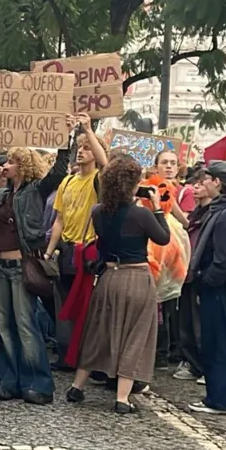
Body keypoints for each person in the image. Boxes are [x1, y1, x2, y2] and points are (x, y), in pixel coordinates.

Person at [63, 155, 171, 413]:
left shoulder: (98, 212)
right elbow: (164, 238)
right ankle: (122, 398)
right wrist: (156, 207)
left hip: (108, 278)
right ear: (132, 184)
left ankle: (77, 386)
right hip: (136, 278)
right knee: (135, 334)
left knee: (98, 331)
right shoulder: (142, 214)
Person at [0, 147, 59, 405]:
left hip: (20, 264)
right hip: (0, 267)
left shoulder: (35, 190)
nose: (7, 165)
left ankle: (39, 383)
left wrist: (67, 140)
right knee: (4, 325)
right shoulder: (3, 195)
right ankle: (10, 379)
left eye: (12, 162)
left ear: (23, 167)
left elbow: (57, 173)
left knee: (25, 324)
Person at [44, 114, 107, 368]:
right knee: (64, 305)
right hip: (67, 250)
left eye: (87, 148)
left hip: (88, 251)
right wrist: (49, 253)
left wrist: (88, 130)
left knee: (85, 307)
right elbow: (58, 220)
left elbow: (105, 165)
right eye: (80, 148)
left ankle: (86, 357)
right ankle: (66, 354)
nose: (82, 152)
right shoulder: (68, 182)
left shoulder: (97, 180)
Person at [186, 160, 226, 415]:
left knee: (220, 343)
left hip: (221, 290)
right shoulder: (224, 211)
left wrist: (207, 280)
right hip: (220, 288)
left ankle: (221, 399)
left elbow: (225, 260)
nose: (201, 183)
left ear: (217, 182)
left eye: (205, 179)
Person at [175, 172, 212, 382]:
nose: (196, 188)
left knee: (200, 324)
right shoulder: (198, 212)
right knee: (187, 322)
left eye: (201, 184)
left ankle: (205, 366)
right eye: (195, 184)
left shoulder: (215, 212)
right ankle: (192, 363)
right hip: (188, 271)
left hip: (200, 273)